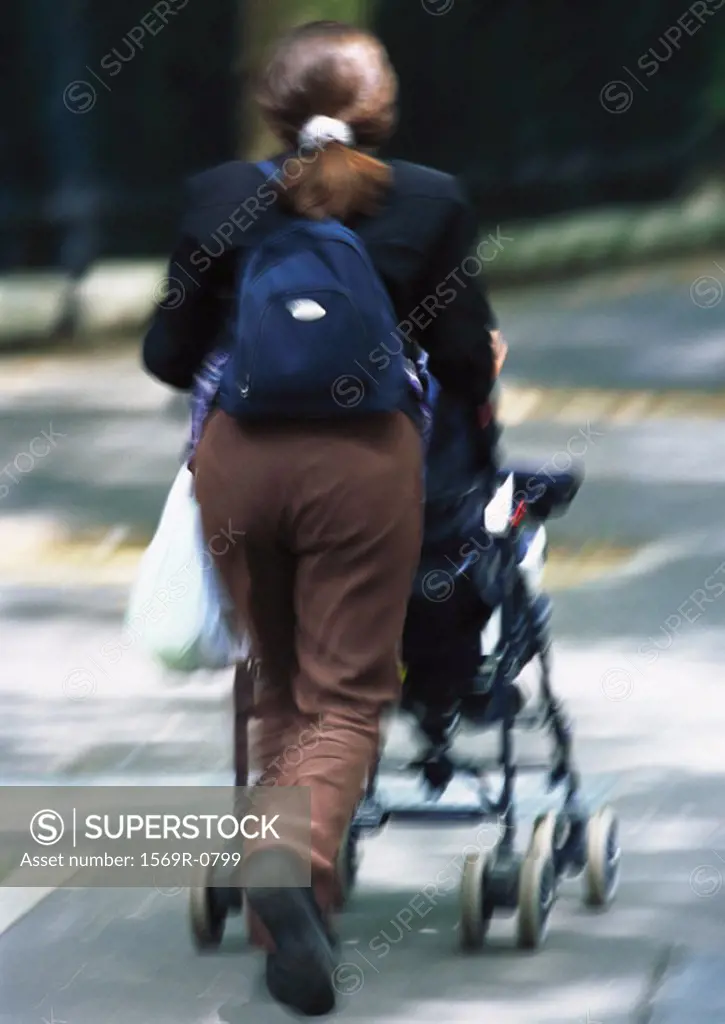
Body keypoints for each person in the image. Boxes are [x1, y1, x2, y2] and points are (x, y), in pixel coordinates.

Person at [143, 20, 500, 1016]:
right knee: (344, 696)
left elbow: (168, 356)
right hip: (363, 467)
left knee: (275, 684)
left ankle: (287, 926)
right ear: (377, 109)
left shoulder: (215, 196)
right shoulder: (428, 199)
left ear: (272, 104)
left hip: (236, 463)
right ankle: (285, 860)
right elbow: (465, 363)